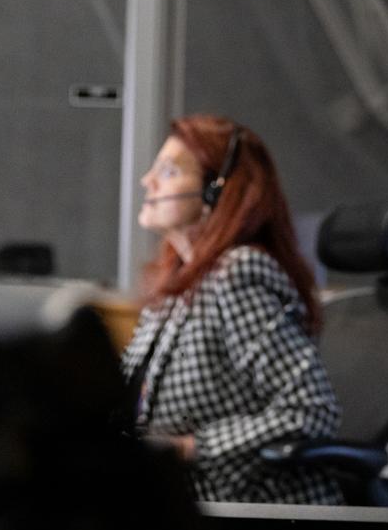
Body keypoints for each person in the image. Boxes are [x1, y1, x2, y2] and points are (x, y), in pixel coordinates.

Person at [121, 114, 341, 505]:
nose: (147, 181)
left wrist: (191, 448)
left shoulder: (236, 274)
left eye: (168, 172)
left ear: (215, 192)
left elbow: (311, 410)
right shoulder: (177, 285)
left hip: (256, 515)